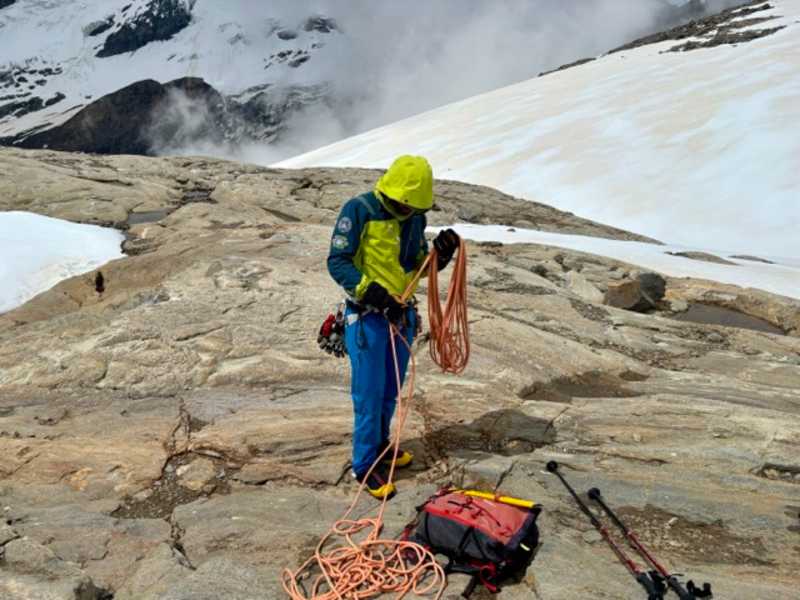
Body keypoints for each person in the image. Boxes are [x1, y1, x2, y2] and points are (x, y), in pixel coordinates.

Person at [327, 155, 460, 499]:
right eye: (404, 206)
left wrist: (440, 257)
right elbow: (338, 261)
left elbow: (416, 265)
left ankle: (382, 445)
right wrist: (370, 290)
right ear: (391, 193)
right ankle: (364, 465)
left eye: (413, 208)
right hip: (367, 317)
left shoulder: (415, 218)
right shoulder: (359, 210)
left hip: (400, 317)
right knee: (368, 394)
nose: (407, 212)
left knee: (389, 389)